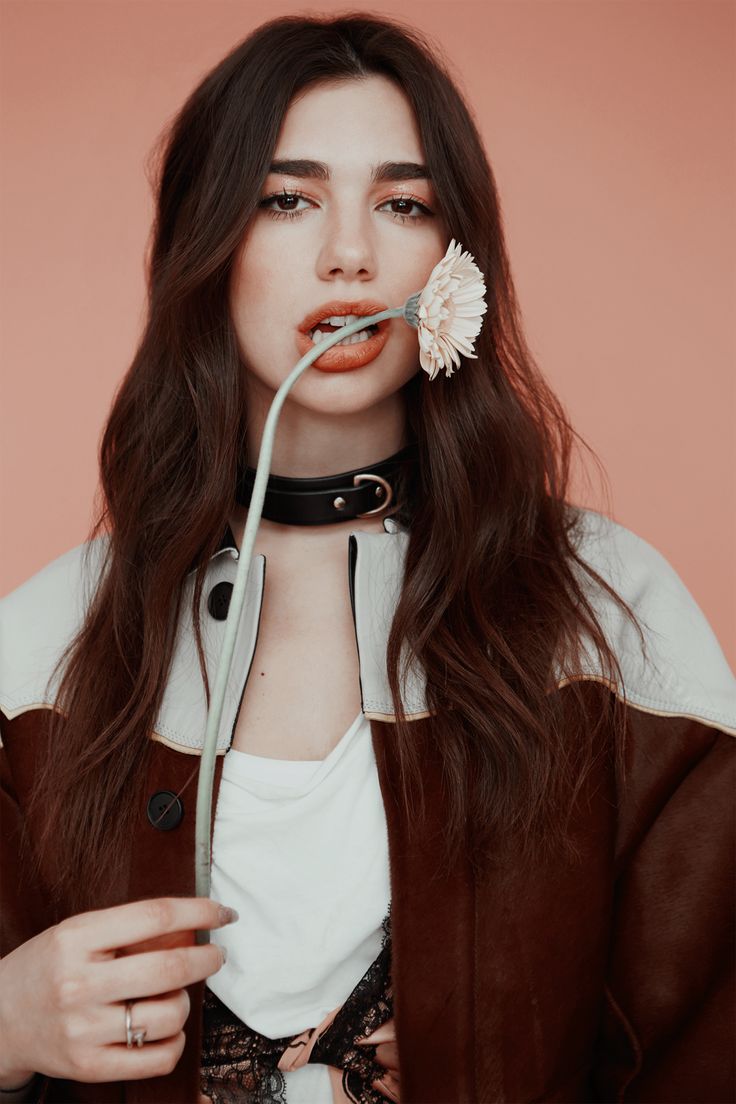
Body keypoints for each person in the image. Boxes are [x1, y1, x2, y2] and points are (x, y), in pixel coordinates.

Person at [0, 12, 734, 1104]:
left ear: (454, 258)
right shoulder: (43, 640)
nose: (350, 251)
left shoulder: (611, 613)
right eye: (286, 199)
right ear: (205, 243)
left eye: (404, 204)